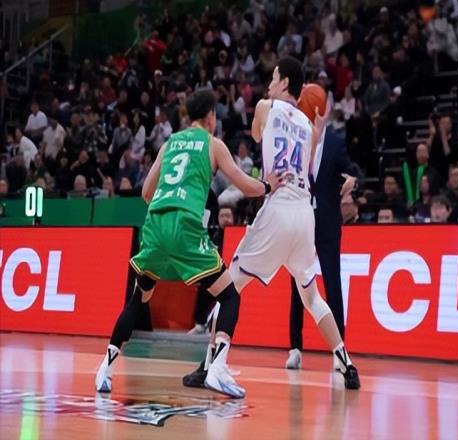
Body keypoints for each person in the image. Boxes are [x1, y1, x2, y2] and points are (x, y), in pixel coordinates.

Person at [184, 57, 360, 391]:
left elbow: (255, 134)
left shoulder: (266, 107)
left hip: (277, 208)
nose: (268, 84)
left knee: (228, 287)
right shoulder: (309, 127)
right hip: (304, 216)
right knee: (312, 297)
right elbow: (307, 155)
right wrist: (314, 122)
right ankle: (346, 363)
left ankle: (212, 365)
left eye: (274, 78)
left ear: (285, 83)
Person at [95, 88, 283, 399]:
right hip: (184, 226)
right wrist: (268, 185)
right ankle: (217, 368)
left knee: (139, 299)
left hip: (155, 224)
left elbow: (145, 193)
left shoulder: (169, 143)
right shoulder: (213, 144)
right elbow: (245, 185)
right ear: (210, 117)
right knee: (229, 296)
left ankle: (105, 368)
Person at [286, 116, 358, 371]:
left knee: (332, 283)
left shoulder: (336, 143)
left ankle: (339, 351)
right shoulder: (297, 139)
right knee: (297, 284)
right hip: (301, 219)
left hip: (327, 221)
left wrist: (352, 180)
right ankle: (295, 348)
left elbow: (353, 170)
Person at [188, 206, 234, 335]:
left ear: (233, 218)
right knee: (205, 285)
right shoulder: (213, 237)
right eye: (222, 216)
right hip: (218, 274)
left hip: (233, 274)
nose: (225, 219)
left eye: (228, 216)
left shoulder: (239, 235)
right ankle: (200, 323)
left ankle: (219, 327)